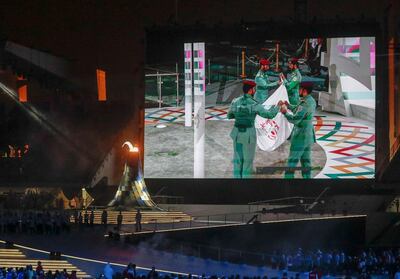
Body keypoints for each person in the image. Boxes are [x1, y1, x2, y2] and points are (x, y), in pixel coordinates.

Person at [227, 80, 280, 178]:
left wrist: (240, 116)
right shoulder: (254, 104)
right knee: (247, 162)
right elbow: (269, 114)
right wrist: (278, 107)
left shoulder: (235, 101)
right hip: (248, 135)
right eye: (254, 89)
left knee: (237, 160)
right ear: (251, 90)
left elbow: (229, 115)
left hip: (237, 133)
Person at [280, 82, 316, 178]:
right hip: (308, 136)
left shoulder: (304, 103)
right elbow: (298, 109)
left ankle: (287, 184)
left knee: (292, 161)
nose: (298, 91)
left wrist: (285, 112)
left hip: (300, 136)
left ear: (304, 90)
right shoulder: (311, 100)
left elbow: (295, 119)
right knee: (306, 162)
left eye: (300, 89)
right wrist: (289, 105)